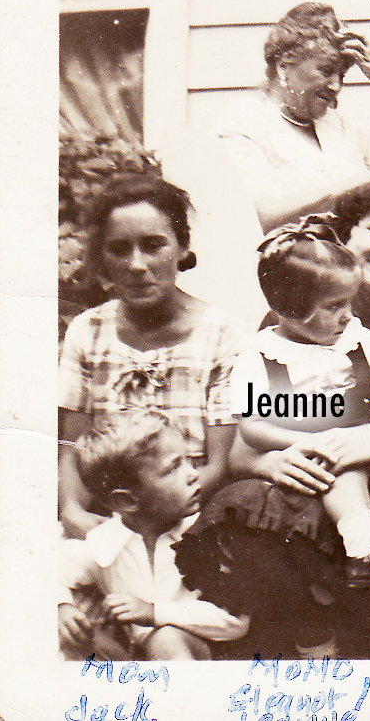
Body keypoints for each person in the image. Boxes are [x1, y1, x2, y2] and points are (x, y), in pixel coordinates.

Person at [178, 181, 370, 659]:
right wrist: (271, 464)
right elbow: (245, 444)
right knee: (257, 510)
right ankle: (311, 640)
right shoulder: (286, 324)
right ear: (343, 238)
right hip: (308, 481)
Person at [229, 216, 370, 643]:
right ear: (288, 309)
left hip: (367, 450)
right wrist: (311, 442)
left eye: (350, 301)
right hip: (309, 463)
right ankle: (365, 551)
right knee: (339, 472)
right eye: (333, 306)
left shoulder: (360, 341)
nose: (347, 315)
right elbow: (252, 427)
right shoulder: (262, 353)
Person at [59, 175, 245, 539]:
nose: (137, 264)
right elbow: (73, 447)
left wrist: (145, 526)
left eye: (153, 245)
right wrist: (72, 511)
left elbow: (220, 465)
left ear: (181, 247)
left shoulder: (223, 334)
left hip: (192, 515)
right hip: (107, 514)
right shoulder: (88, 330)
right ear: (102, 258)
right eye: (119, 249)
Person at [216, 2, 370, 232]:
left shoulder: (339, 126)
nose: (336, 86)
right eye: (326, 71)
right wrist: (345, 190)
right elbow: (257, 218)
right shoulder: (243, 123)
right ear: (284, 66)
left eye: (342, 75)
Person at [59, 411, 248, 661]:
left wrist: (155, 612)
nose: (193, 474)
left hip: (205, 651)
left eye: (189, 461)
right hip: (138, 655)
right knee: (69, 637)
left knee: (165, 639)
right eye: (173, 468)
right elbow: (51, 568)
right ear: (126, 500)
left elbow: (236, 622)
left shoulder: (209, 535)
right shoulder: (105, 543)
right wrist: (61, 607)